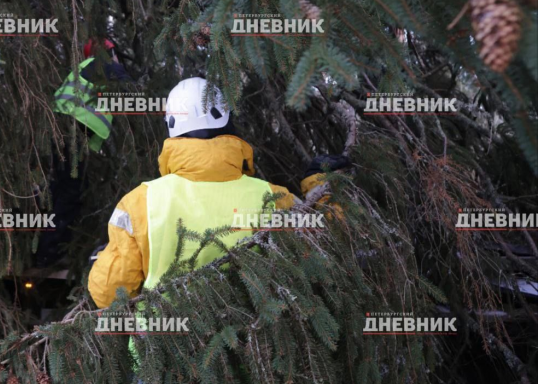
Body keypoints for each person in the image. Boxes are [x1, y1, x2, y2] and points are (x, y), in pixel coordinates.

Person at [88, 77, 350, 308]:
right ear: (229, 124)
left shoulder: (139, 202)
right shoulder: (272, 197)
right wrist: (322, 185)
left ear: (171, 129)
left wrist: (102, 263)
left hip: (163, 353)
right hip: (254, 353)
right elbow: (329, 243)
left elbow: (109, 294)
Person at [35, 38, 132, 268]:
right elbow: (128, 84)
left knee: (61, 190)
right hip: (72, 135)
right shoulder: (100, 65)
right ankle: (48, 254)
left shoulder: (85, 69)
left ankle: (44, 249)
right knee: (69, 194)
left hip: (64, 133)